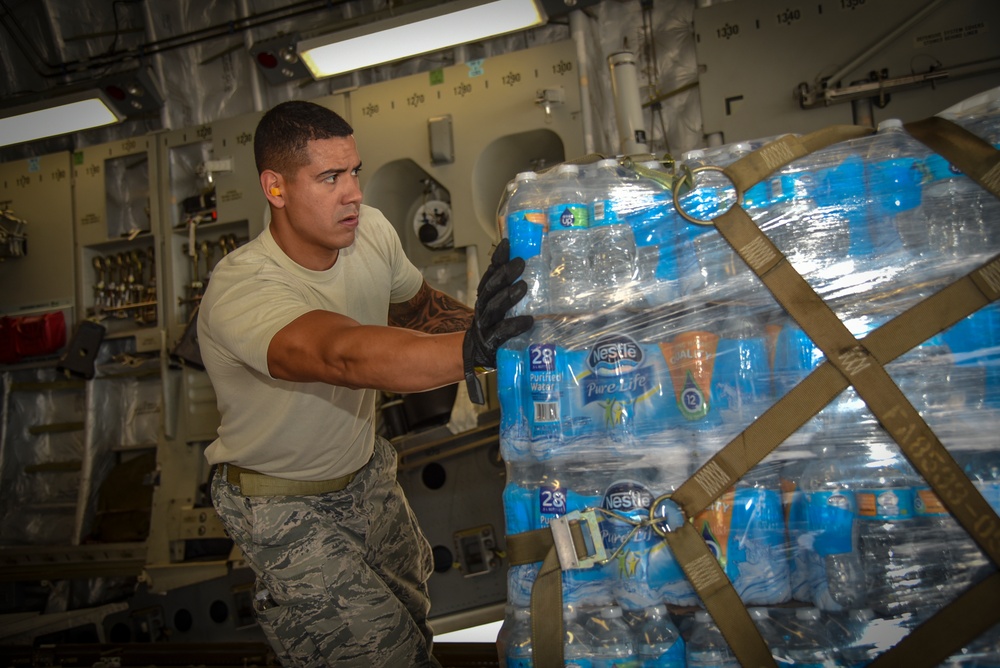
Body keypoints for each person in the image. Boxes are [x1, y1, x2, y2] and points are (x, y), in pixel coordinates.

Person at [197, 99, 532, 666]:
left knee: (411, 622)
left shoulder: (368, 230)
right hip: (284, 504)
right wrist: (472, 349)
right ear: (275, 188)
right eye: (329, 177)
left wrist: (514, 326)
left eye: (353, 170)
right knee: (382, 657)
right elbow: (341, 355)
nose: (352, 191)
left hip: (365, 475)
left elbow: (416, 309)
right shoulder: (242, 289)